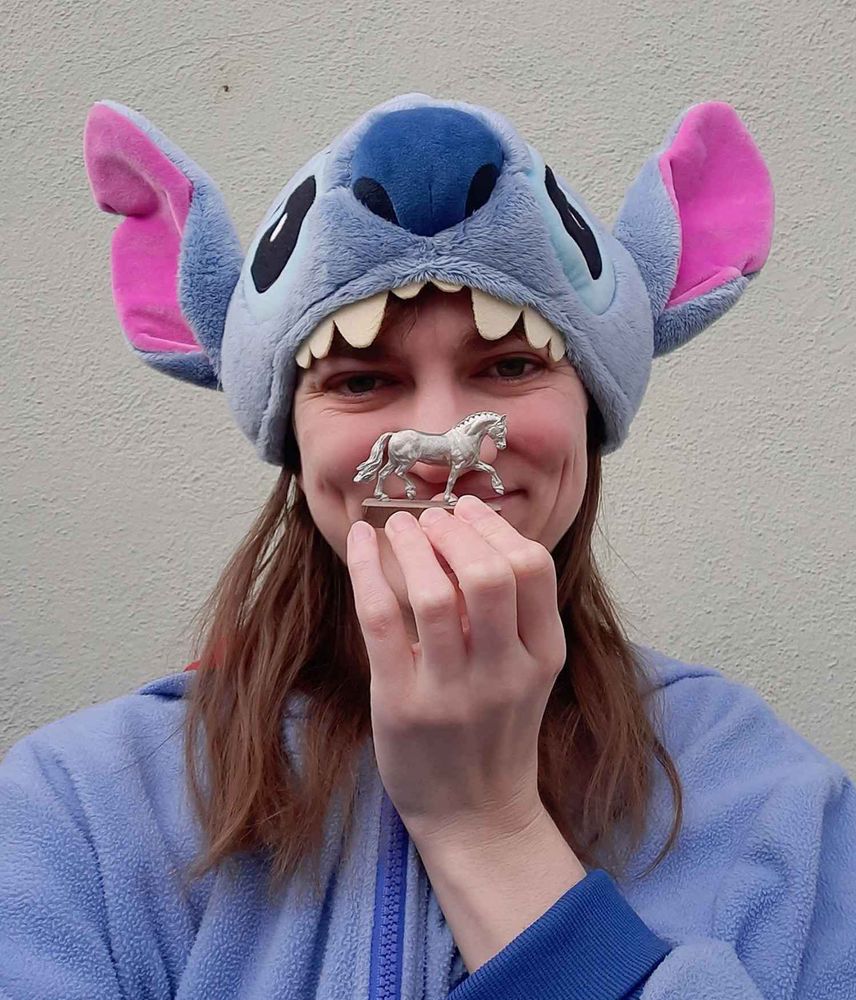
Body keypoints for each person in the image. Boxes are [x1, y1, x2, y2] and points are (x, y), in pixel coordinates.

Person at [1, 91, 853, 1000]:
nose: (439, 433)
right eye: (363, 379)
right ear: (294, 444)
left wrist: (487, 832)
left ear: (592, 408)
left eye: (511, 365)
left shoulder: (768, 799)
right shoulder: (80, 809)